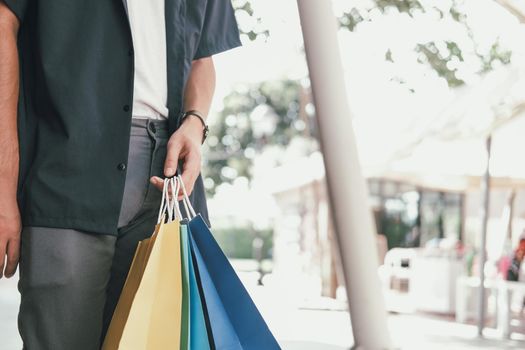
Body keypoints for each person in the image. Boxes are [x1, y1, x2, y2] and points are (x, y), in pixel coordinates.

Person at [0, 0, 241, 348]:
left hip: (167, 183)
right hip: (65, 165)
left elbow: (202, 55)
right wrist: (4, 189)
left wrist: (195, 121)